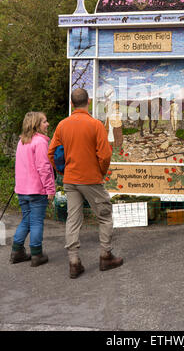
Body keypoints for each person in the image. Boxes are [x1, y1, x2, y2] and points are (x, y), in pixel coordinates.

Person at [48, 88, 123, 279]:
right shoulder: (95, 124)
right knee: (104, 216)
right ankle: (105, 256)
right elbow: (105, 154)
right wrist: (100, 172)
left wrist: (62, 171)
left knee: (73, 220)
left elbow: (52, 152)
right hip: (90, 179)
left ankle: (74, 262)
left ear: (72, 103)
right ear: (88, 102)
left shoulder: (62, 125)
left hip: (70, 180)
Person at [10, 112, 55, 266]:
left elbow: (21, 165)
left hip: (22, 190)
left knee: (27, 220)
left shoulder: (22, 141)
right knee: (35, 222)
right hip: (37, 190)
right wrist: (50, 189)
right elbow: (43, 167)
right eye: (44, 121)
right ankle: (36, 254)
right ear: (36, 125)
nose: (47, 124)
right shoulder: (40, 142)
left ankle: (17, 251)